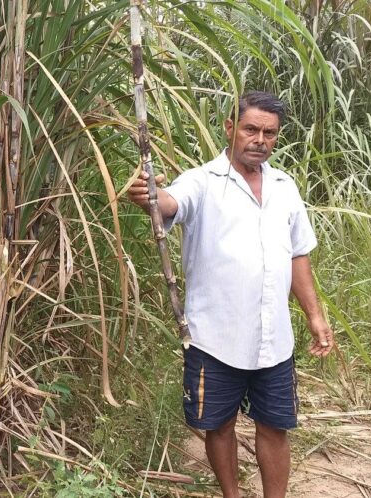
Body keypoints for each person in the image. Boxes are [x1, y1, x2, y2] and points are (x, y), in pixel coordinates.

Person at [127, 91, 334, 498]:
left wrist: (314, 314)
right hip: (214, 339)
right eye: (250, 129)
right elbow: (171, 202)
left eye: (269, 133)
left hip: (274, 341)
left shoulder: (284, 187)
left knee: (276, 427)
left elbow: (297, 255)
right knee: (218, 425)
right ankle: (232, 495)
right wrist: (152, 195)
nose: (259, 139)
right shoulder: (202, 182)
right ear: (230, 129)